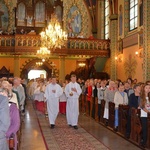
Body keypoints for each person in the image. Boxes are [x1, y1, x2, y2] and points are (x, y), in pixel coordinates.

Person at [140, 84, 150, 148]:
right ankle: (144, 142)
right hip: (144, 115)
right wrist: (148, 112)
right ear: (144, 89)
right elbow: (142, 106)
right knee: (145, 129)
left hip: (149, 114)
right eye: (146, 88)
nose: (148, 89)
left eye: (149, 88)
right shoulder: (141, 97)